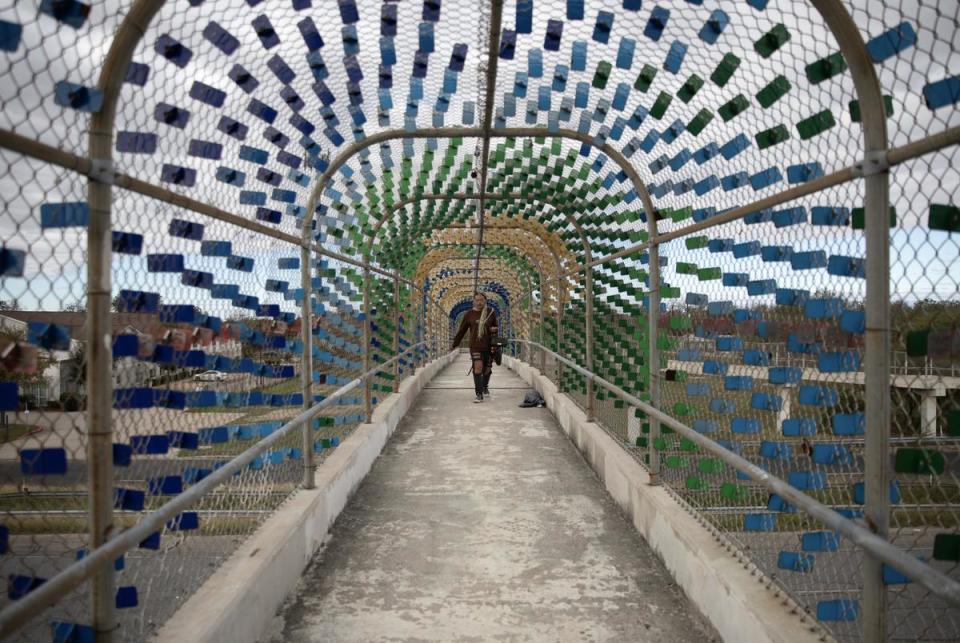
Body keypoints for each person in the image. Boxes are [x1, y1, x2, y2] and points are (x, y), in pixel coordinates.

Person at [451, 292, 499, 403]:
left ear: (485, 301)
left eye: (481, 300)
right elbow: (462, 330)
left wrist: (493, 330)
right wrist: (455, 344)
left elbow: (496, 327)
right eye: (477, 300)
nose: (479, 302)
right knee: (478, 366)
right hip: (475, 346)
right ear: (474, 301)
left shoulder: (491, 312)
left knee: (487, 369)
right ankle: (479, 394)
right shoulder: (469, 314)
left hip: (488, 345)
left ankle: (485, 386)